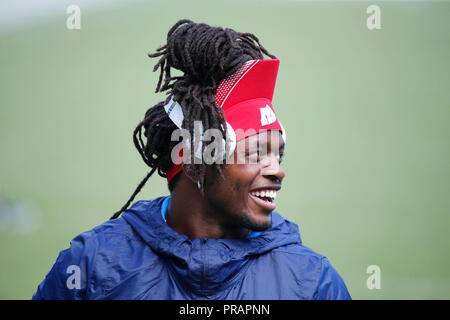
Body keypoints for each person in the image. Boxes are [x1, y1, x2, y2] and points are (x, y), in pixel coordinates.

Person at [32, 19, 351, 300]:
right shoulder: (92, 265)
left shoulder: (312, 283)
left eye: (278, 154)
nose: (277, 171)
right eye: (256, 153)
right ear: (191, 157)